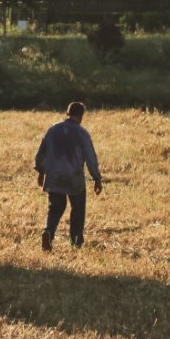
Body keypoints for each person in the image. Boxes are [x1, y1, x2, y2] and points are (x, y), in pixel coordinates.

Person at [34, 101, 103, 250]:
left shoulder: (52, 130)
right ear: (81, 116)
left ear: (67, 113)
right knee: (78, 209)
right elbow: (91, 159)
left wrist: (41, 171)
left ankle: (48, 232)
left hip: (54, 177)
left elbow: (41, 154)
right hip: (74, 178)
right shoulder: (82, 133)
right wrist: (96, 178)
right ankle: (76, 241)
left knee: (55, 208)